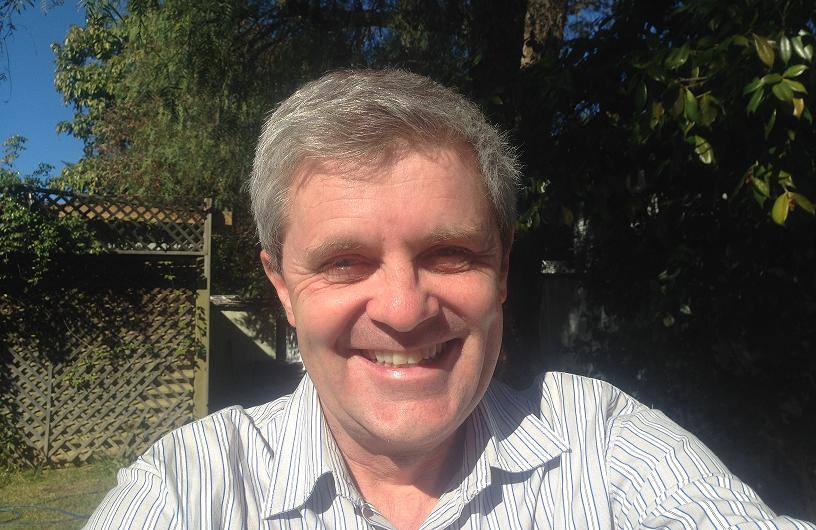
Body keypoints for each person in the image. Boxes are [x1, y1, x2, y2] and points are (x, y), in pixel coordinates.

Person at [83, 69, 815, 530]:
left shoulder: (605, 448)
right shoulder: (191, 491)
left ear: (503, 270)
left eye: (449, 254)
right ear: (282, 288)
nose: (404, 310)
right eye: (345, 262)